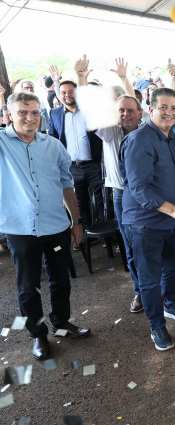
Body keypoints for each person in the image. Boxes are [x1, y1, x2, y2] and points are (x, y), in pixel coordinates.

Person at [1, 91, 91, 361]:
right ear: (9, 115)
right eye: (22, 112)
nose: (29, 118)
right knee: (28, 285)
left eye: (34, 112)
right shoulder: (2, 143)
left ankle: (61, 322)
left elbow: (66, 184)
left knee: (60, 278)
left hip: (56, 225)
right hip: (21, 229)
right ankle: (38, 334)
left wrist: (76, 221)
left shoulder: (53, 145)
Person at [119, 87, 175, 351]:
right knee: (150, 279)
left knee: (172, 268)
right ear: (150, 109)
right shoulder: (139, 140)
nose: (169, 112)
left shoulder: (170, 137)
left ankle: (171, 305)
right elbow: (139, 188)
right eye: (163, 107)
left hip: (171, 220)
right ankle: (157, 326)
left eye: (174, 108)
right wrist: (174, 210)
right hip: (146, 223)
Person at [47, 60, 104, 249]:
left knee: (100, 200)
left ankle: (106, 235)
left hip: (94, 164)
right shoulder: (55, 113)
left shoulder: (88, 110)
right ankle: (85, 236)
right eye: (63, 92)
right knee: (79, 202)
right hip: (72, 167)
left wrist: (81, 77)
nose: (67, 95)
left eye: (71, 91)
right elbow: (53, 139)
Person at [97, 94, 143, 312]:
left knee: (156, 242)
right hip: (122, 196)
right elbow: (93, 113)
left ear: (140, 113)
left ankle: (168, 286)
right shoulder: (110, 133)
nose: (126, 114)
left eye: (130, 110)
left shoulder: (147, 131)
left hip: (148, 194)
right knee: (131, 245)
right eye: (121, 110)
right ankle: (139, 291)